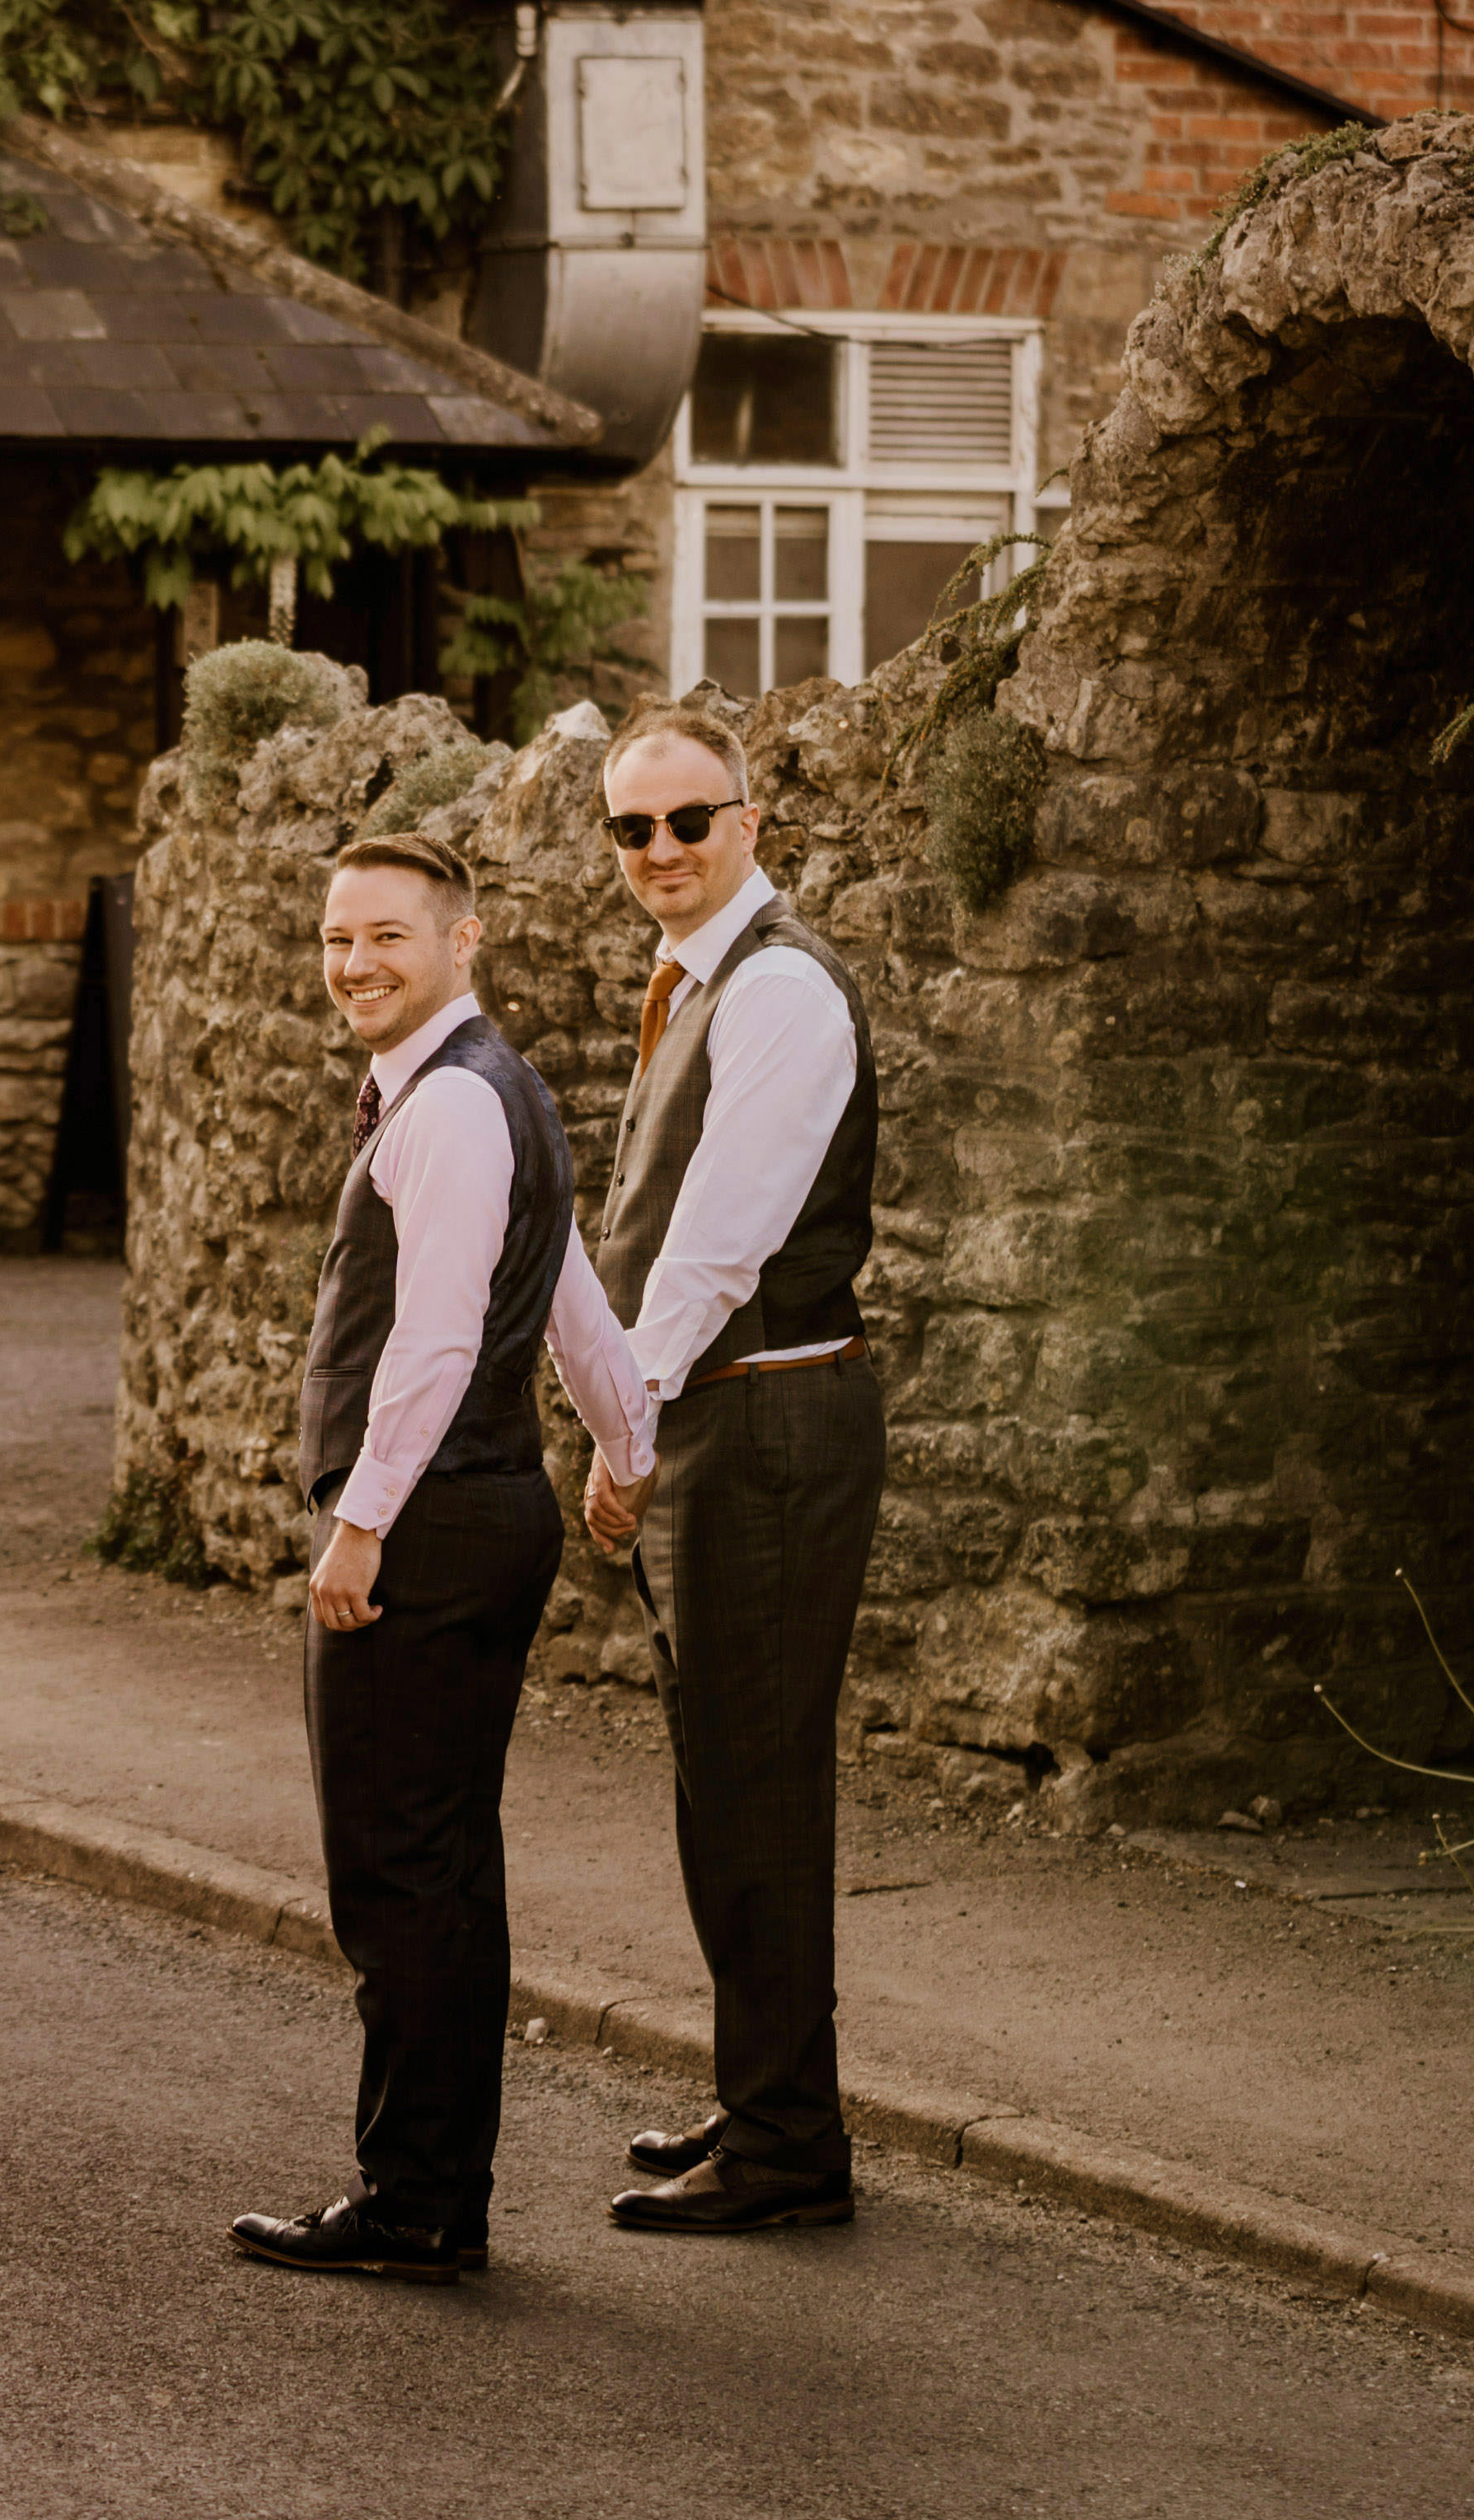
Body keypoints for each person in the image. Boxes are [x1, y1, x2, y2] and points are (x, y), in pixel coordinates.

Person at [231, 835, 657, 2288]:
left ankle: (411, 2198)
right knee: (444, 1862)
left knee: (396, 1868)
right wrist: (627, 1443)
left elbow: (436, 1336)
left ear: (462, 939)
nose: (354, 962)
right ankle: (434, 2192)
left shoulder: (454, 1106)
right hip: (483, 1511)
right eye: (337, 937)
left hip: (427, 1524)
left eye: (386, 937)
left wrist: (358, 1521)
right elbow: (569, 1295)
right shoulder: (494, 1090)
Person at [581, 707, 883, 2239]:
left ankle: (784, 2148)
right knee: (722, 1778)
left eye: (687, 820)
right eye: (630, 830)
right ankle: (768, 2091)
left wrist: (621, 1419)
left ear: (749, 820)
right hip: (717, 1422)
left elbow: (719, 1236)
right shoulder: (698, 978)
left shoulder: (776, 992)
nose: (660, 853)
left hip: (764, 1424)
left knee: (755, 1785)